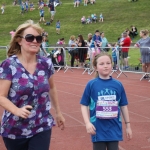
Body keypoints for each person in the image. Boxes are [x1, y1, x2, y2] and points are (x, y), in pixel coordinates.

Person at [0, 20, 65, 150]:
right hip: (14, 129)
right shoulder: (9, 65)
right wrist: (16, 110)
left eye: (39, 38)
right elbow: (1, 96)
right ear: (19, 40)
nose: (35, 41)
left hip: (41, 124)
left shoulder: (46, 63)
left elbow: (52, 88)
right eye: (30, 37)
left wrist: (58, 112)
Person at [80, 52, 132, 150]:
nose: (105, 66)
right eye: (102, 64)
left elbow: (124, 106)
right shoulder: (91, 84)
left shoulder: (118, 85)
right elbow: (84, 104)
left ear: (112, 65)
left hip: (114, 128)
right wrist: (87, 123)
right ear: (95, 67)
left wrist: (128, 126)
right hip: (97, 128)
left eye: (108, 63)